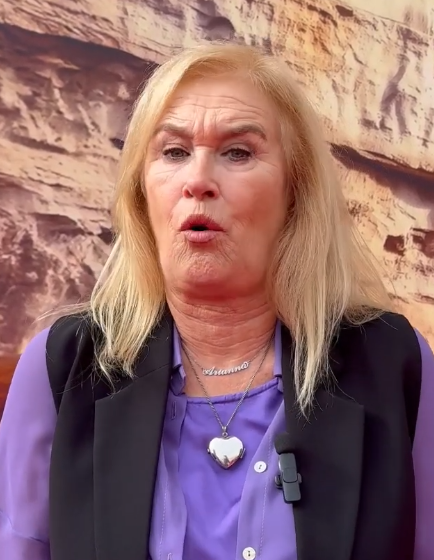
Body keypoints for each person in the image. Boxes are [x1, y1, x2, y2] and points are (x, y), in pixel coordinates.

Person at [0, 42, 433, 560]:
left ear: (295, 193)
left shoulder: (394, 366)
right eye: (173, 152)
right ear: (141, 192)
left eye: (238, 153)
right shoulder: (63, 368)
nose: (198, 181)